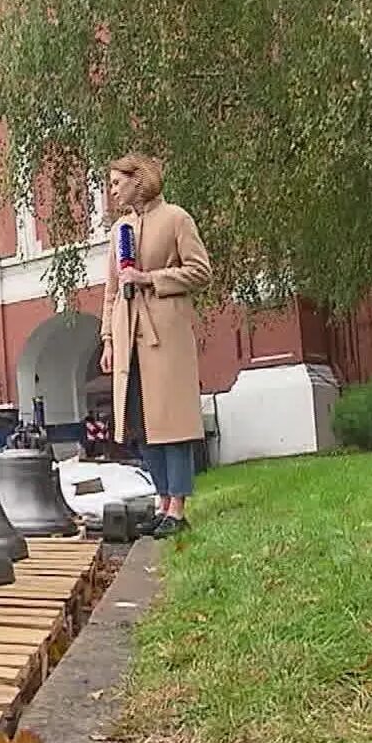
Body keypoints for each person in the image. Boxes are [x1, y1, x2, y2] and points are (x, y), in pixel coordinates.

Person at [97, 153, 212, 537]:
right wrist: (108, 340)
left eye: (117, 182)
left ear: (138, 179)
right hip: (128, 335)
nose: (112, 191)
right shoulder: (120, 230)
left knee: (171, 422)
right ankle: (161, 501)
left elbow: (200, 270)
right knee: (140, 422)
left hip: (165, 334)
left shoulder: (176, 219)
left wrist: (150, 278)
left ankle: (178, 507)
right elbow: (111, 291)